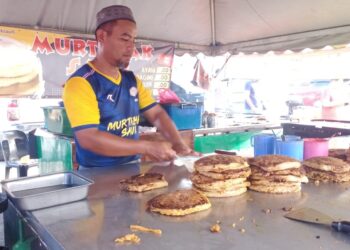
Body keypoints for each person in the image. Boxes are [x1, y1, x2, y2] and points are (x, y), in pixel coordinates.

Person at [63, 5, 194, 168]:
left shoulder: (131, 80)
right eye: (125, 39)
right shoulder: (81, 83)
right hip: (97, 175)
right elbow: (89, 138)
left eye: (133, 40)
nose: (131, 47)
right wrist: (146, 146)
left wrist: (178, 143)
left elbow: (157, 114)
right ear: (102, 36)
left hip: (132, 167)